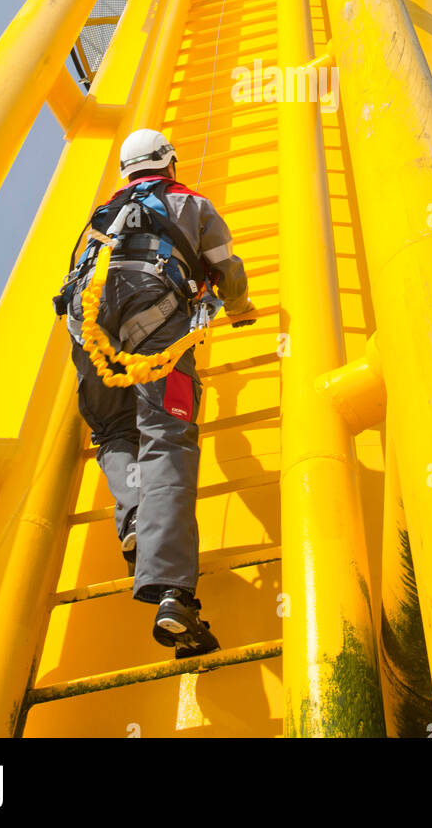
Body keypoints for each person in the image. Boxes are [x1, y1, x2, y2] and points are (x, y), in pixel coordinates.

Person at [63, 128, 256, 658]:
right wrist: (239, 310)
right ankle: (172, 591)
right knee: (167, 438)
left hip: (87, 326)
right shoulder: (190, 202)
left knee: (113, 431)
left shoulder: (102, 214)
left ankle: (133, 521)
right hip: (158, 319)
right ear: (168, 163)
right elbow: (226, 267)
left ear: (126, 173)